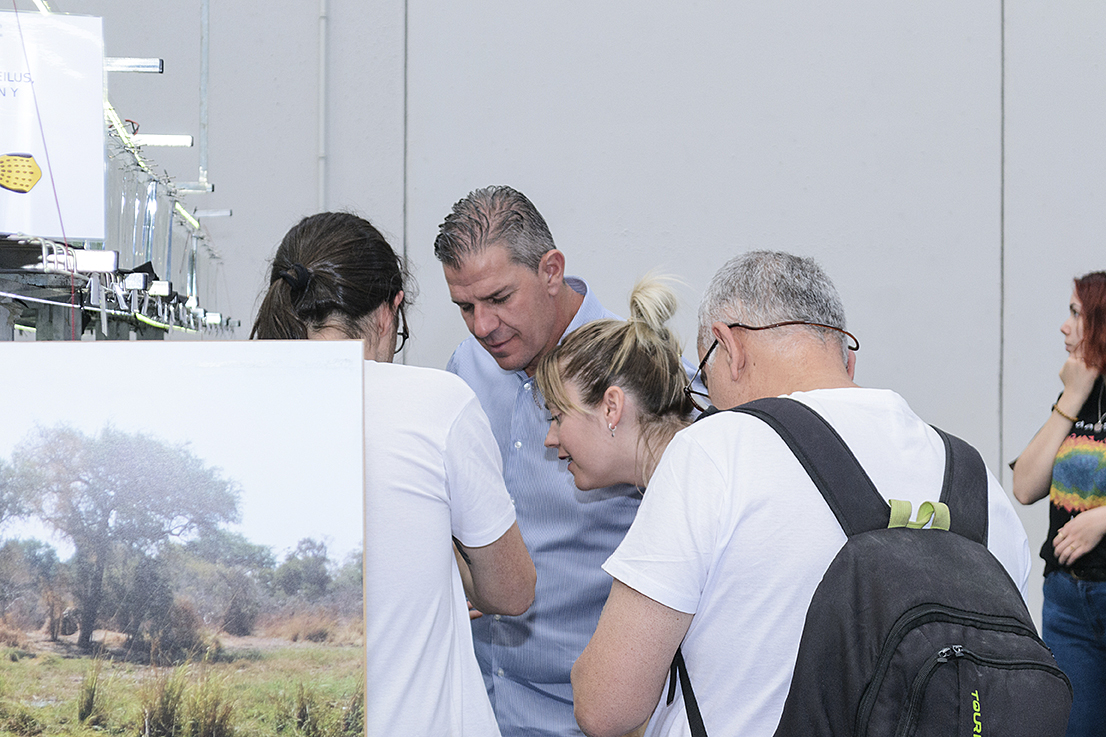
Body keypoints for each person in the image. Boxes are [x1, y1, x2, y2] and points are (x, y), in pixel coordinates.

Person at [570, 250, 1032, 737]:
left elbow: (607, 707)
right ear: (846, 359)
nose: (708, 404)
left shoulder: (714, 450)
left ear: (730, 347)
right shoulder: (978, 483)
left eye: (704, 380)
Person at [252, 211, 536, 736]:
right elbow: (512, 593)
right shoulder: (437, 403)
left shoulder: (251, 408)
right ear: (390, 310)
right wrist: (442, 544)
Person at [435, 186, 695, 737]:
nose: (483, 326)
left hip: (582, 716)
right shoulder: (465, 370)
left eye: (500, 298)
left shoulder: (649, 376)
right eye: (465, 307)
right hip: (472, 703)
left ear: (551, 270)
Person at [1012, 271, 1106, 737]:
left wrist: (1103, 520)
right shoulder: (1079, 396)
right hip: (1069, 604)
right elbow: (1026, 485)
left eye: (1076, 314)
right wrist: (1072, 396)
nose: (1065, 328)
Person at [535, 277, 694, 491]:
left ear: (611, 407)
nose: (549, 440)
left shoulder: (703, 496)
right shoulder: (684, 485)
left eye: (558, 417)